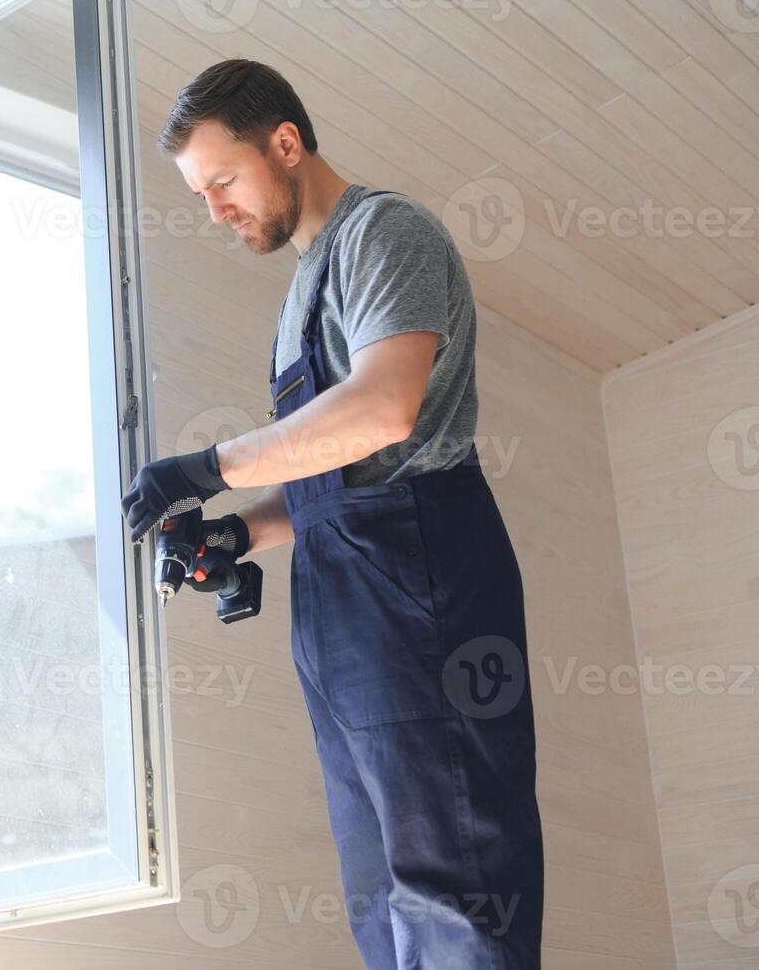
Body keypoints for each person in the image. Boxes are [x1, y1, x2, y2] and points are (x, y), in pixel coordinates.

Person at [121, 59, 544, 968]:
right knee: (381, 899)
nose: (216, 210)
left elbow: (383, 410)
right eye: (200, 194)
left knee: (454, 881)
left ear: (284, 142)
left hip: (420, 575)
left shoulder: (383, 233)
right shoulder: (296, 299)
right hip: (341, 593)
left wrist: (209, 468)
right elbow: (334, 468)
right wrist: (239, 534)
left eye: (223, 181)